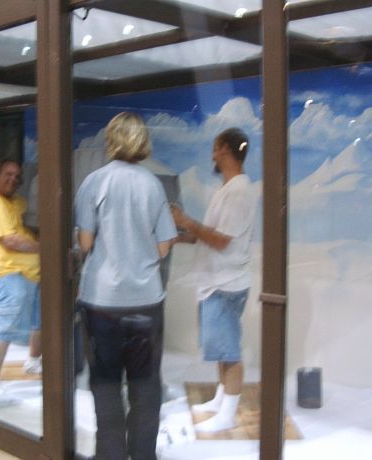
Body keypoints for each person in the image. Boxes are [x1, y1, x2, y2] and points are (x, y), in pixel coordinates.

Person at [75, 112, 177, 460]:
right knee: (145, 387)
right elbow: (164, 246)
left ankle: (111, 454)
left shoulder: (94, 182)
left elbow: (85, 242)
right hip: (146, 301)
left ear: (111, 140)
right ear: (142, 141)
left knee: (105, 387)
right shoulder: (153, 184)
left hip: (100, 302)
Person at [171, 127, 256, 432]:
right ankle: (221, 400)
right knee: (222, 348)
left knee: (229, 351)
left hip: (225, 283)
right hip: (217, 282)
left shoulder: (238, 191)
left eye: (214, 148)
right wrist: (178, 236)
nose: (212, 154)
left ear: (223, 149)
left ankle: (227, 414)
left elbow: (221, 240)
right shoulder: (228, 189)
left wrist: (186, 222)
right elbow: (209, 236)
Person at [0, 158, 42, 406]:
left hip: (31, 274)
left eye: (17, 176)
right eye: (8, 174)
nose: (13, 179)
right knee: (4, 326)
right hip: (9, 273)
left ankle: (33, 362)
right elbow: (10, 241)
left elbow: (31, 211)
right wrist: (45, 247)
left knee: (39, 321)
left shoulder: (14, 202)